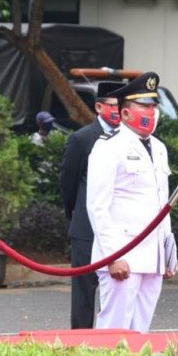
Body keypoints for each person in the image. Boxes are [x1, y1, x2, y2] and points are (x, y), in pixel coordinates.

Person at [85, 72, 177, 332]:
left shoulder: (159, 148)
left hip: (153, 256)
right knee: (114, 331)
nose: (152, 111)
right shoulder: (108, 147)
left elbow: (163, 203)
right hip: (123, 253)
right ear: (125, 113)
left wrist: (167, 253)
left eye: (154, 105)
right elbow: (98, 206)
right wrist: (114, 256)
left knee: (141, 331)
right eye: (145, 106)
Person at [60, 81, 124, 329]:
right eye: (113, 105)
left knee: (117, 293)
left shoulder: (128, 139)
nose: (118, 110)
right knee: (84, 294)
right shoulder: (82, 138)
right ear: (99, 107)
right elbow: (68, 182)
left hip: (118, 229)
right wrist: (75, 215)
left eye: (122, 105)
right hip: (86, 228)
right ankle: (81, 344)